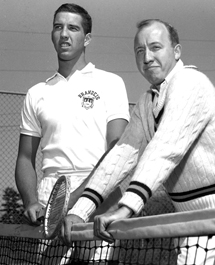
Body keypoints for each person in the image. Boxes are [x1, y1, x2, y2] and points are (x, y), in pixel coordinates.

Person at [61, 19, 215, 264]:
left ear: (177, 51)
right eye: (140, 51)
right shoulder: (147, 102)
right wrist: (79, 211)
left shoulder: (191, 82)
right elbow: (120, 156)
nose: (147, 57)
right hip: (186, 220)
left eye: (155, 47)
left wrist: (126, 207)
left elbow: (164, 149)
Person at [15, 3, 129, 264]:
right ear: (52, 34)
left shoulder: (111, 83)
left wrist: (77, 199)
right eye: (58, 27)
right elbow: (24, 158)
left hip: (100, 193)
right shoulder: (36, 93)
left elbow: (117, 150)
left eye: (73, 28)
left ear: (86, 38)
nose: (64, 34)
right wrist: (32, 200)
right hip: (50, 195)